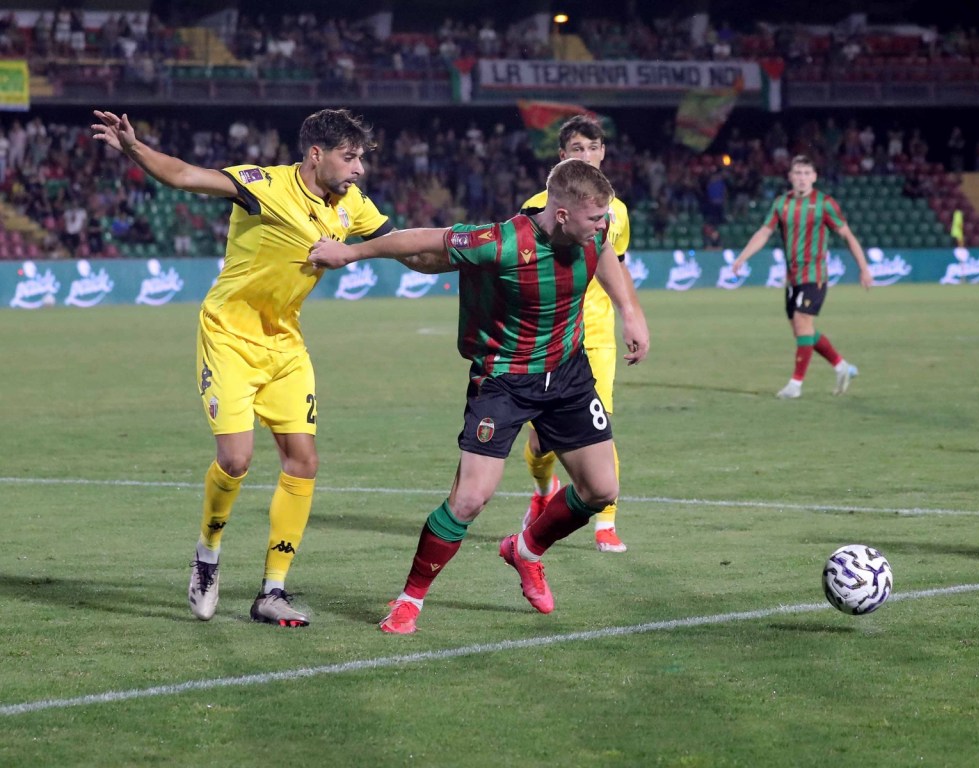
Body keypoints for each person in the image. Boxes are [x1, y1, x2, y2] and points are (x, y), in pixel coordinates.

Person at [307, 158, 650, 634]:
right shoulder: (503, 241)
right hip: (504, 380)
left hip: (568, 375)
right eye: (595, 219)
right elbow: (422, 239)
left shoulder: (595, 231)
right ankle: (410, 600)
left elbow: (607, 255)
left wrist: (630, 313)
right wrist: (350, 253)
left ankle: (525, 550)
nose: (603, 226)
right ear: (565, 214)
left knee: (601, 490)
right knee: (469, 499)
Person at [91, 107, 393, 627]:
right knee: (235, 459)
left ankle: (272, 591)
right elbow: (186, 175)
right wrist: (135, 149)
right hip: (229, 337)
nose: (358, 169)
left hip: (285, 346)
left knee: (303, 461)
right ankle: (207, 553)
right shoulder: (262, 185)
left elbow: (398, 244)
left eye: (360, 159)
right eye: (350, 157)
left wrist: (466, 248)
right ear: (315, 154)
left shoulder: (351, 204)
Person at [519, 115, 637, 554]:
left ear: (603, 153)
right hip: (549, 338)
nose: (585, 155)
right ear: (562, 157)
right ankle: (542, 489)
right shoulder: (535, 206)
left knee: (601, 425)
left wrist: (632, 316)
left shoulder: (617, 211)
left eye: (592, 148)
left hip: (596, 337)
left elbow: (615, 270)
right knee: (541, 441)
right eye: (576, 149)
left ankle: (605, 522)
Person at [730, 155, 872, 399]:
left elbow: (847, 235)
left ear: (814, 177)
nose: (802, 178)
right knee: (802, 331)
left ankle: (795, 385)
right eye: (798, 173)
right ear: (790, 177)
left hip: (815, 275)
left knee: (802, 322)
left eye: (807, 173)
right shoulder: (781, 204)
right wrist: (742, 257)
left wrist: (864, 267)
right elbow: (764, 233)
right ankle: (842, 367)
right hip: (792, 278)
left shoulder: (825, 204)